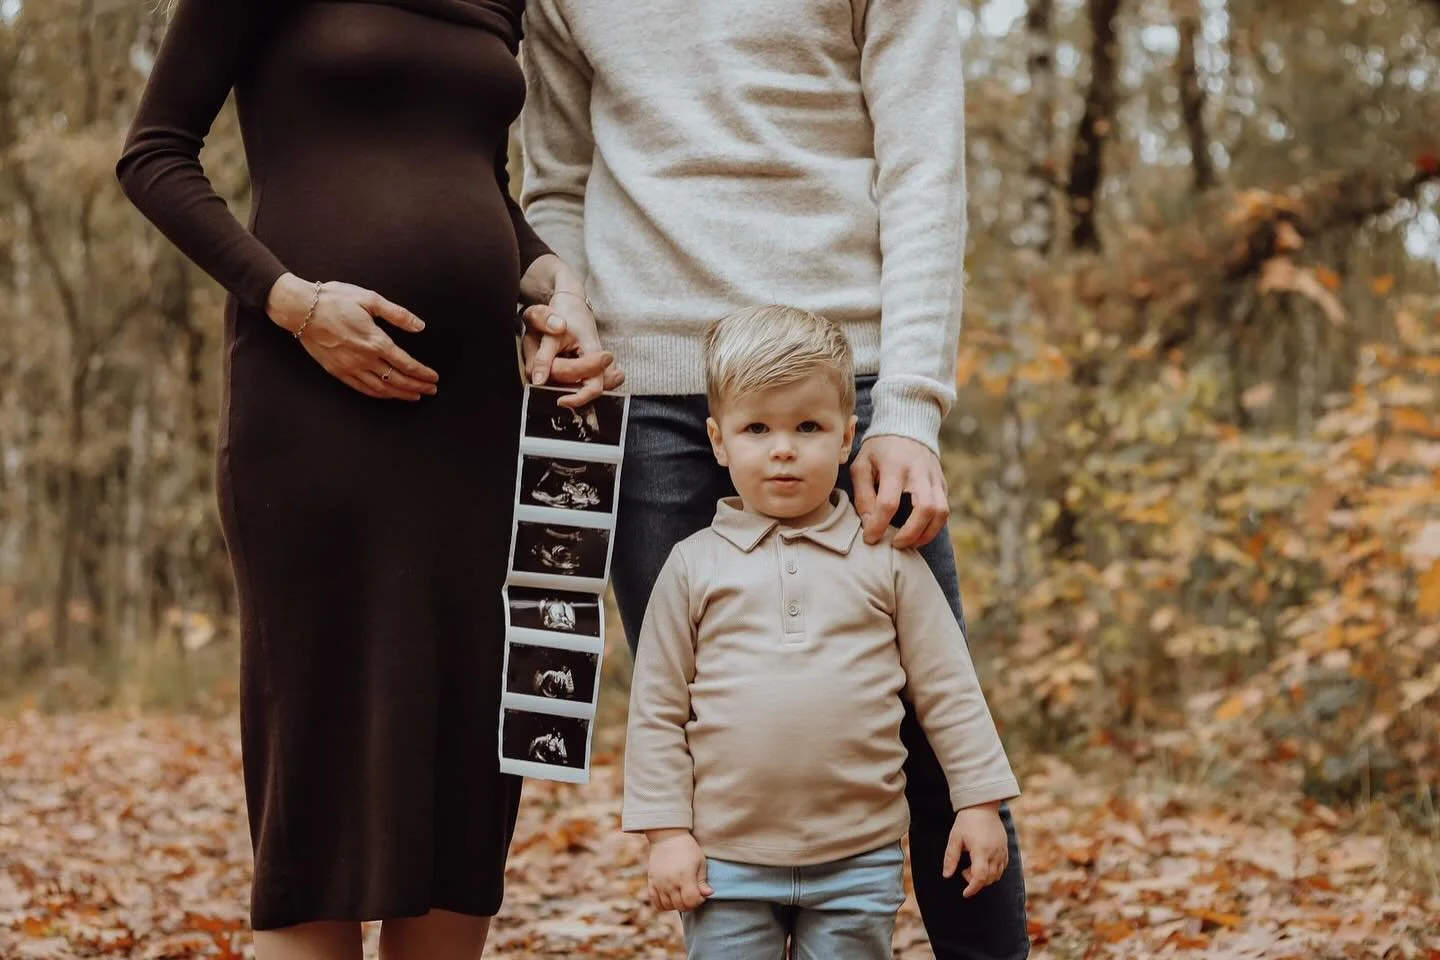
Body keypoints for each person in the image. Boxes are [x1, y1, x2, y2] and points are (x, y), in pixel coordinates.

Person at [518, 0, 1032, 956]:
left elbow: (924, 167)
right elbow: (556, 181)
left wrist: (911, 407)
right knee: (706, 712)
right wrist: (570, 306)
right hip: (645, 391)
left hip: (847, 386)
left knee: (928, 734)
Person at [116, 1, 618, 957]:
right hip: (313, 410)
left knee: (463, 739)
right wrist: (293, 303)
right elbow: (153, 155)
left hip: (475, 422)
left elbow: (473, 180)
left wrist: (557, 285)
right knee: (325, 750)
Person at [623, 306, 1020, 959]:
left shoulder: (888, 560)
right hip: (726, 862)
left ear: (846, 438)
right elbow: (658, 712)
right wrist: (666, 834)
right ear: (719, 442)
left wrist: (977, 804)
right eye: (757, 428)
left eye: (808, 426)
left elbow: (948, 690)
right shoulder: (692, 566)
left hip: (857, 862)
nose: (783, 447)